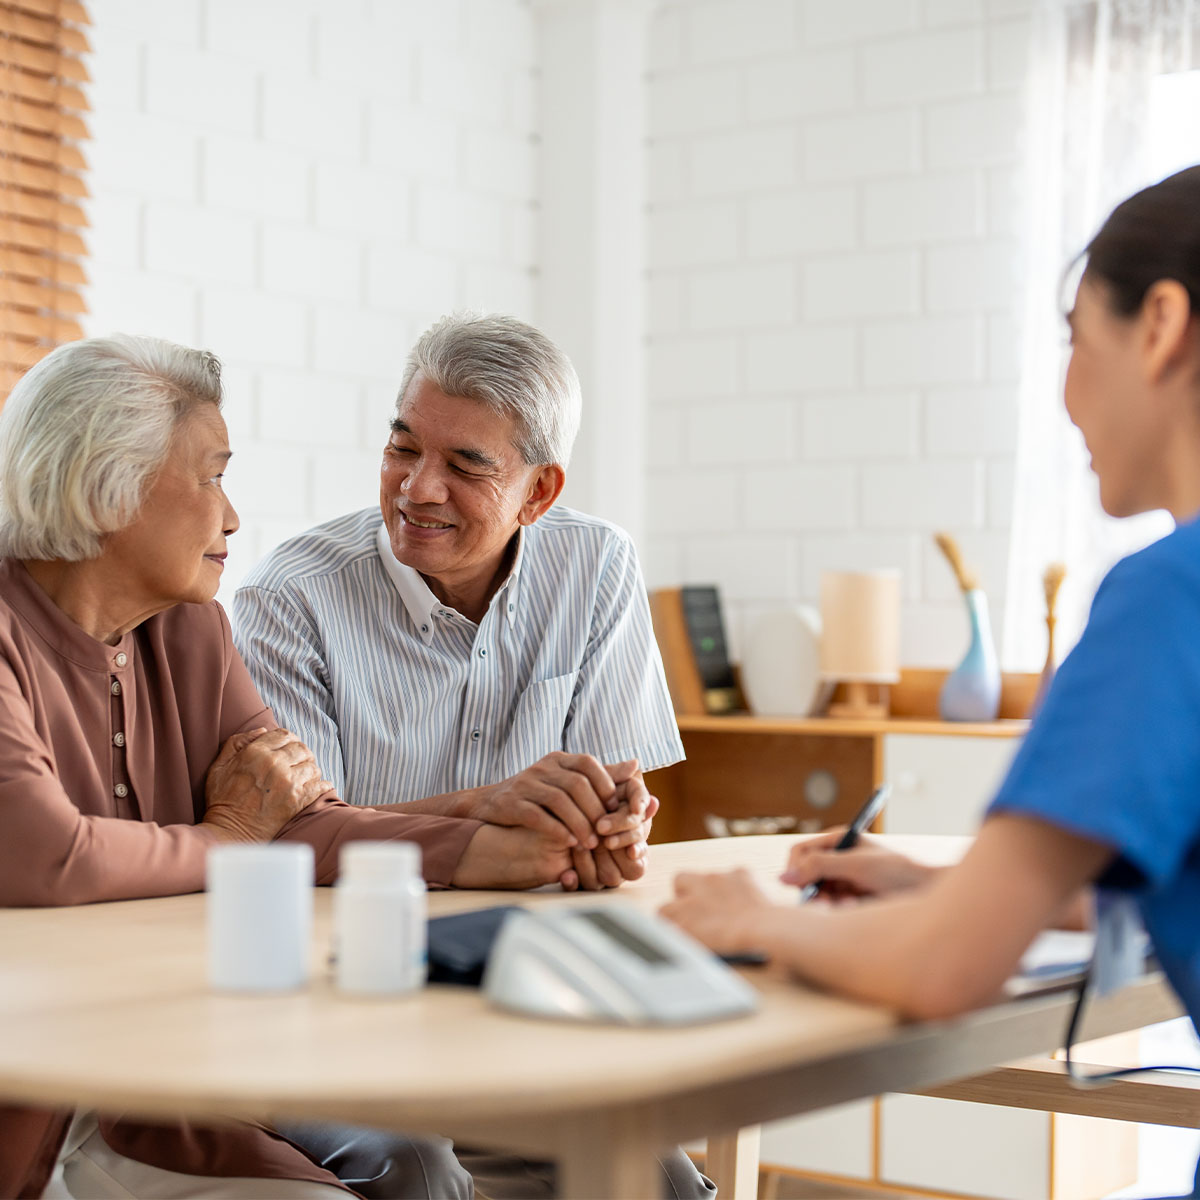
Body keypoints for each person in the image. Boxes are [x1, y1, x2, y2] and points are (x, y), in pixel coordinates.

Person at [661, 165, 1200, 1199]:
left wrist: (753, 917)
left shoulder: (1165, 600)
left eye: (1075, 341)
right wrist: (939, 887)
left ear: (1162, 324)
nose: (1065, 393)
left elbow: (946, 971)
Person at [0, 335, 625, 1200]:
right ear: (110, 486)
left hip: (157, 1081)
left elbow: (301, 818)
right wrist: (232, 835)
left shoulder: (190, 629)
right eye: (212, 475)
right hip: (35, 1090)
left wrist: (497, 852)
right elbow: (45, 856)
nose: (232, 518)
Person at [232, 313, 709, 1198]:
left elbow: (619, 800)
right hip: (339, 998)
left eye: (466, 466)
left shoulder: (597, 567)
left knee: (658, 1183)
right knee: (417, 1171)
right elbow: (298, 842)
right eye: (402, 448)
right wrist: (495, 809)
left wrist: (613, 827)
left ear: (539, 491)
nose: (418, 489)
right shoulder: (289, 598)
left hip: (519, 986)